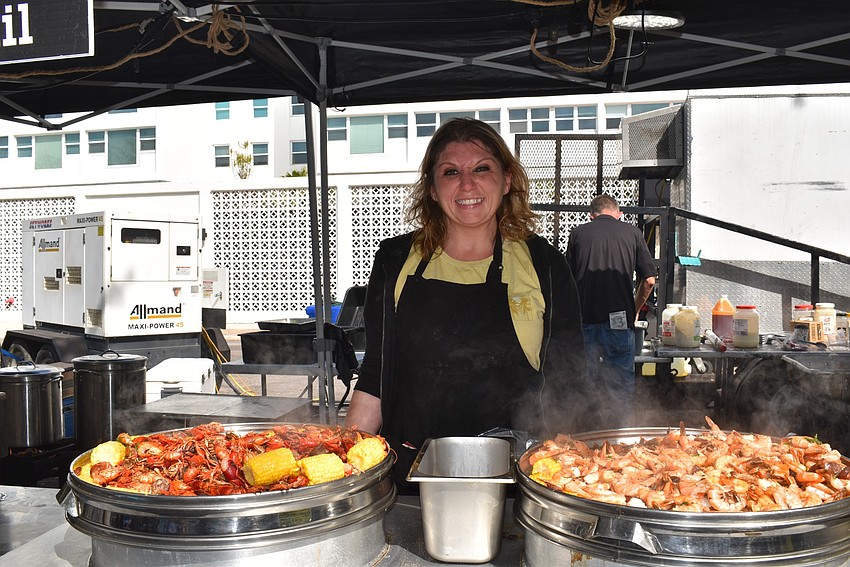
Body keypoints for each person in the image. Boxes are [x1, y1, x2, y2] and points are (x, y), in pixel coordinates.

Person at [345, 118, 586, 491]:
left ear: (507, 180)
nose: (467, 184)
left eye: (482, 168)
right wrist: (347, 462)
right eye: (451, 172)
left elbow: (568, 382)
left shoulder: (544, 263)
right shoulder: (395, 259)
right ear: (432, 188)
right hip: (413, 471)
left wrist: (566, 481)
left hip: (520, 474)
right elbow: (377, 371)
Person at [565, 194, 656, 429]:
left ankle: (584, 440)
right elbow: (649, 281)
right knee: (620, 389)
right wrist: (634, 311)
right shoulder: (633, 233)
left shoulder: (577, 234)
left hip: (585, 322)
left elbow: (568, 281)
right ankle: (618, 439)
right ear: (619, 214)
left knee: (584, 385)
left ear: (591, 215)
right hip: (619, 323)